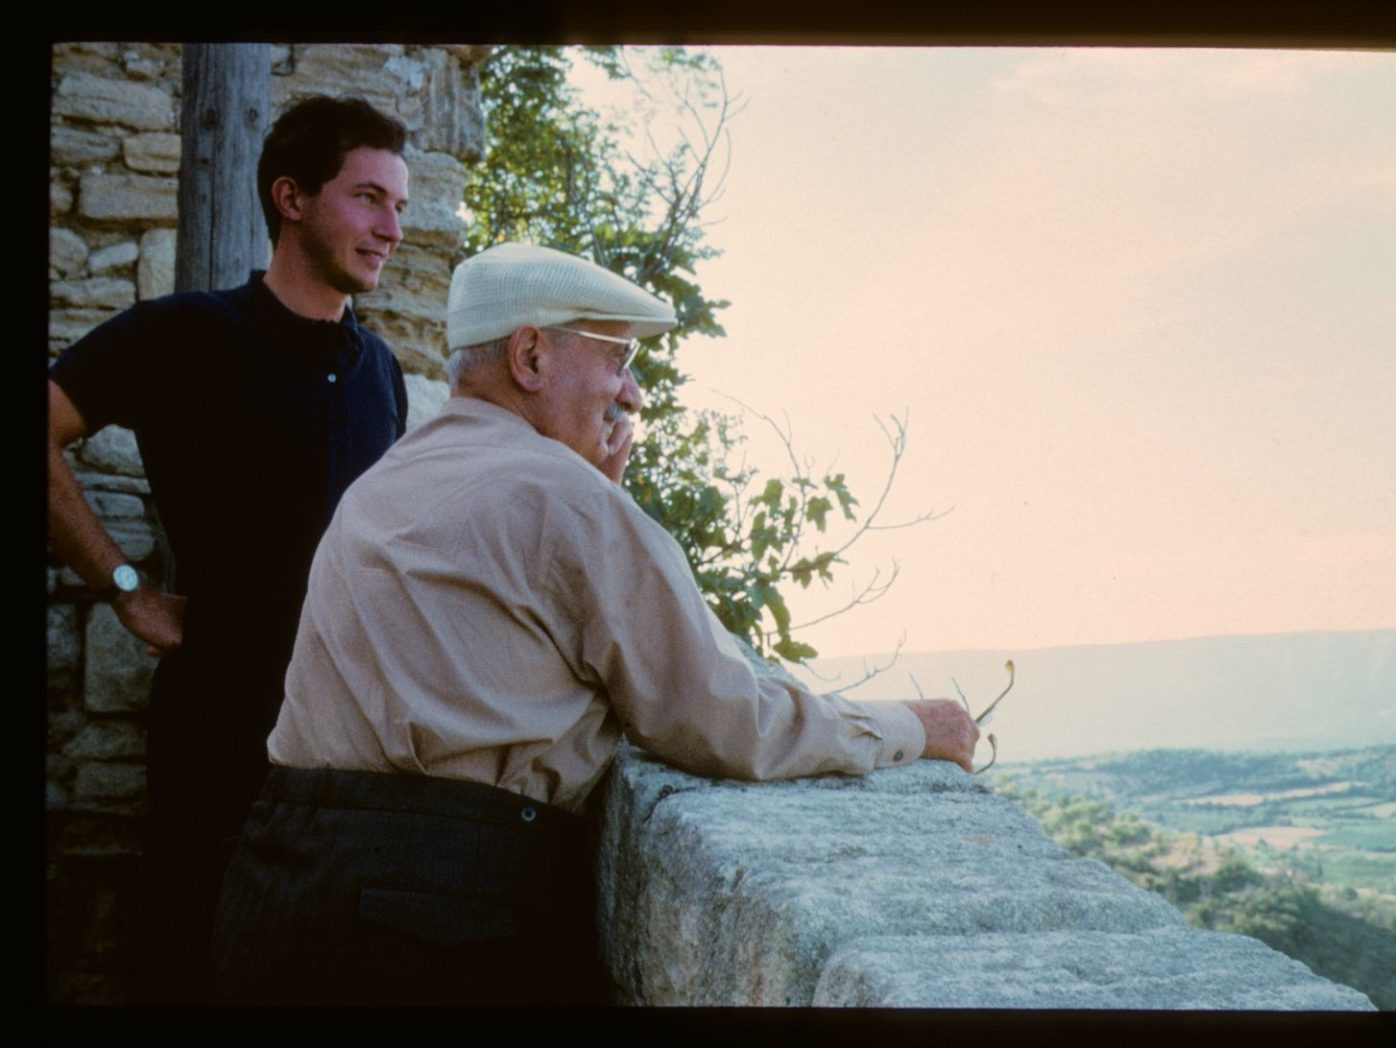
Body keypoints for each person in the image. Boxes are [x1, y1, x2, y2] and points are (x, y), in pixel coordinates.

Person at [210, 242, 980, 1006]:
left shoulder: (383, 483)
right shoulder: (568, 502)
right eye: (616, 360)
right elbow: (722, 717)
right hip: (439, 923)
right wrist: (912, 726)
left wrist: (590, 486)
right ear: (532, 357)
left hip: (282, 885)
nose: (633, 394)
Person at [46, 95, 412, 1004]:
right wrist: (124, 585)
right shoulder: (187, 333)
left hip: (349, 747)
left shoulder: (384, 373)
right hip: (217, 726)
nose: (392, 228)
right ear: (291, 197)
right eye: (369, 198)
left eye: (399, 206)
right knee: (182, 965)